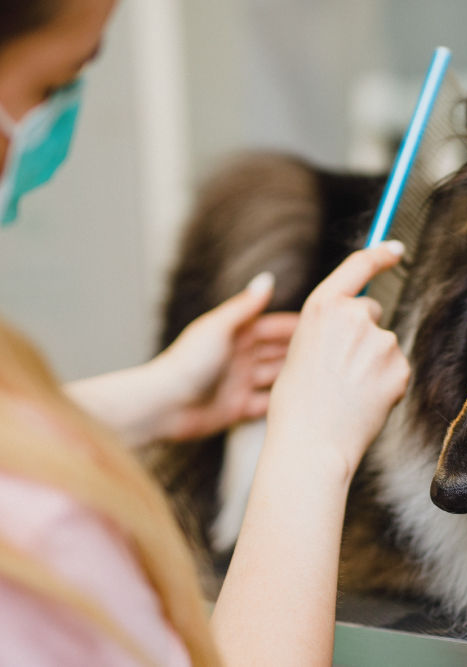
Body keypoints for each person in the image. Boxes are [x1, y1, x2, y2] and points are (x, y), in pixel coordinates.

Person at [0, 1, 411, 665]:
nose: (58, 118)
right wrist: (311, 448)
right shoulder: (40, 541)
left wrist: (155, 395)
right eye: (50, 86)